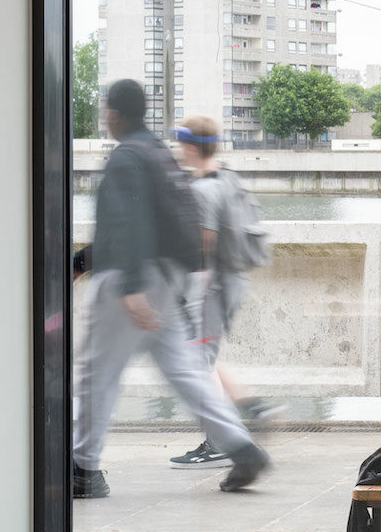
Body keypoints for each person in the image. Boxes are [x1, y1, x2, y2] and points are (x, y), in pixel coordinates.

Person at [72, 80, 270, 498]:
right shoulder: (159, 155)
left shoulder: (126, 157)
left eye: (106, 110)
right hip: (167, 279)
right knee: (186, 371)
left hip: (130, 281)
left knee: (96, 374)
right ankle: (241, 447)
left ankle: (82, 469)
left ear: (114, 114)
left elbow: (124, 226)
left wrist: (125, 285)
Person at [167, 115, 283, 469]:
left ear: (189, 147)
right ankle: (253, 406)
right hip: (232, 280)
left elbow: (204, 245)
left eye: (179, 144)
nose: (176, 151)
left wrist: (189, 294)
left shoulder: (203, 190)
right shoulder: (226, 175)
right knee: (205, 358)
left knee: (197, 365)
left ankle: (218, 440)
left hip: (211, 287)